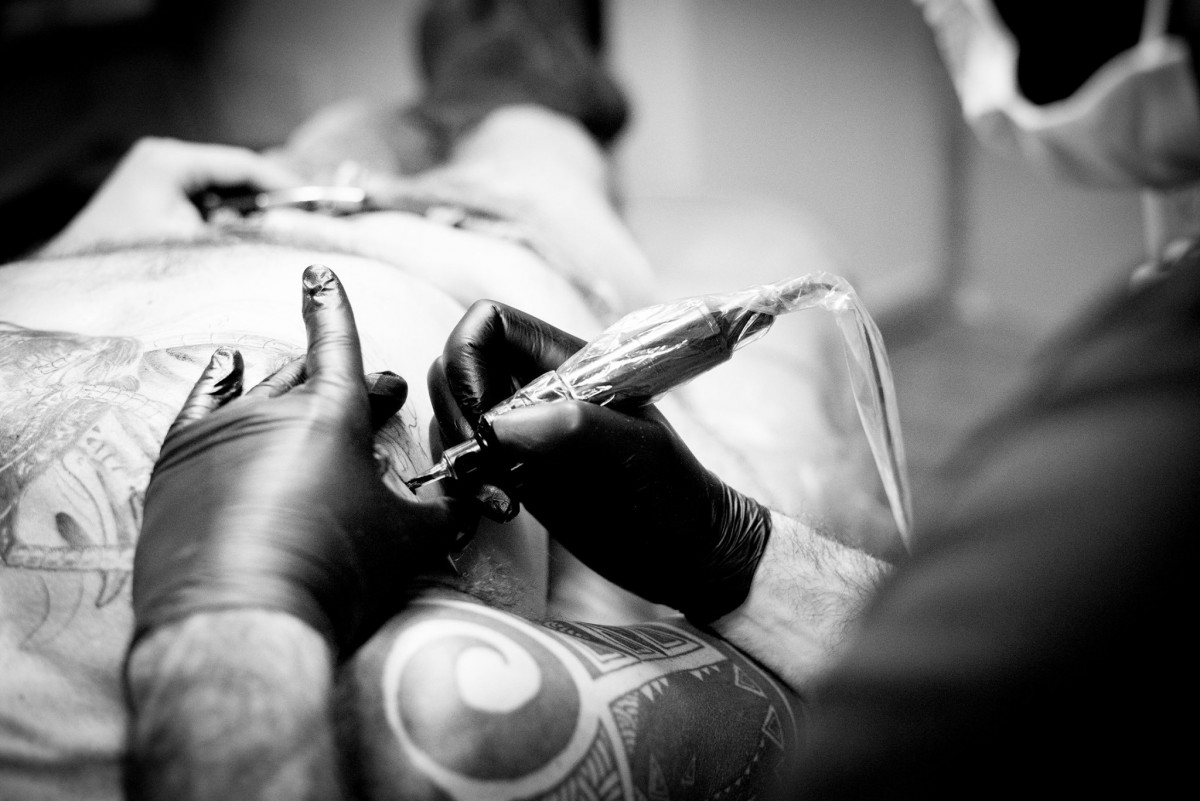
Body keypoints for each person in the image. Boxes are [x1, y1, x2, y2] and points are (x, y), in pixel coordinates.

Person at [124, 0, 1200, 798]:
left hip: (447, 239)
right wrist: (735, 551)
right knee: (395, 142)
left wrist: (227, 630)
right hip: (279, 227)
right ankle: (516, 74)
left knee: (501, 139)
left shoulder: (1146, 432)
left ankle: (512, 75)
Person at [0, 2, 892, 800]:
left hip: (213, 213)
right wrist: (729, 543)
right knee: (525, 125)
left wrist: (63, 248)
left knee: (349, 132)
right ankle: (535, 63)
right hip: (491, 245)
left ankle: (470, 69)